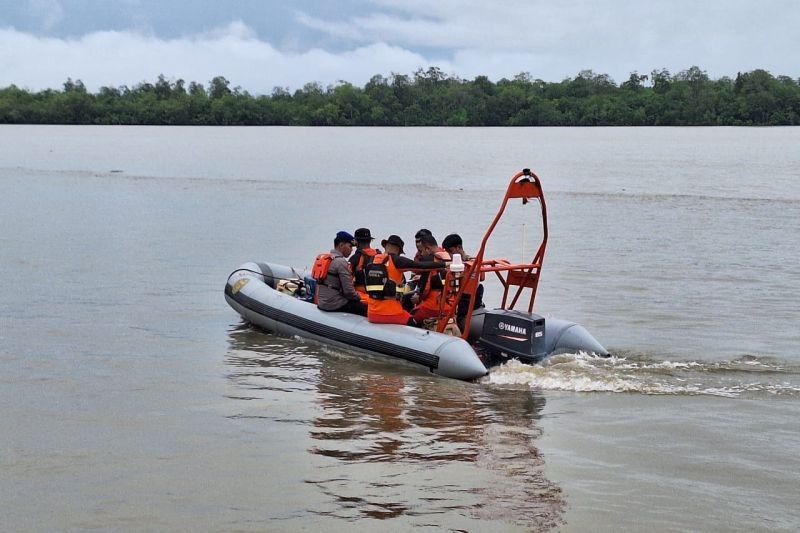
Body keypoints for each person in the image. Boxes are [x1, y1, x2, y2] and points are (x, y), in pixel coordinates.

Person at [365, 234, 446, 325]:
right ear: (397, 250)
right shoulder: (396, 260)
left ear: (386, 246)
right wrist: (445, 265)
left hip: (372, 313)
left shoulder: (372, 260)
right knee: (414, 323)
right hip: (391, 313)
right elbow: (421, 267)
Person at [313, 230, 367, 316]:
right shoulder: (341, 262)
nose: (352, 250)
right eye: (350, 246)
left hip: (322, 303)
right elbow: (349, 292)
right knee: (366, 309)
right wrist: (360, 298)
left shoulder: (326, 259)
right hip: (335, 304)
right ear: (341, 245)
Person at [442, 233, 485, 326]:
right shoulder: (451, 265)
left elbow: (481, 278)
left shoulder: (471, 264)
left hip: (467, 301)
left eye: (451, 251)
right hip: (459, 299)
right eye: (447, 252)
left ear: (459, 247)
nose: (449, 255)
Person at [409, 234, 452, 323]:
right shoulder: (448, 257)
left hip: (431, 307)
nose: (420, 254)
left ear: (427, 249)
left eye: (421, 251)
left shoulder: (428, 261)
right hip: (449, 307)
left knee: (410, 320)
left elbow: (425, 289)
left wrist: (418, 297)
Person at [348, 227, 380, 301]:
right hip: (379, 297)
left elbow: (347, 280)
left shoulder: (355, 258)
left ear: (356, 242)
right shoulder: (380, 255)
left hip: (362, 297)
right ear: (370, 241)